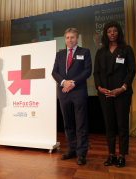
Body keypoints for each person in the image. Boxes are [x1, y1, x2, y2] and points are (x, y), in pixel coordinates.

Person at [93, 21, 136, 168]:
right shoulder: (100, 52)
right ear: (106, 34)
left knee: (122, 125)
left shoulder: (126, 49)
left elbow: (132, 71)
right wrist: (99, 87)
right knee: (109, 126)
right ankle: (111, 155)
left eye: (115, 31)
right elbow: (96, 73)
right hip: (105, 94)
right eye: (109, 31)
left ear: (119, 33)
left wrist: (122, 88)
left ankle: (122, 156)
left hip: (122, 94)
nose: (112, 33)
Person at [52, 28, 92, 165]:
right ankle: (72, 149)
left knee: (81, 124)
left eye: (72, 37)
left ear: (77, 38)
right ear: (65, 39)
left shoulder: (84, 52)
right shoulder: (60, 55)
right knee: (68, 123)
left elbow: (88, 71)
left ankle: (81, 153)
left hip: (78, 92)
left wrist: (72, 83)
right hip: (64, 93)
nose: (70, 40)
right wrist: (64, 83)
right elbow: (54, 72)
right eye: (67, 38)